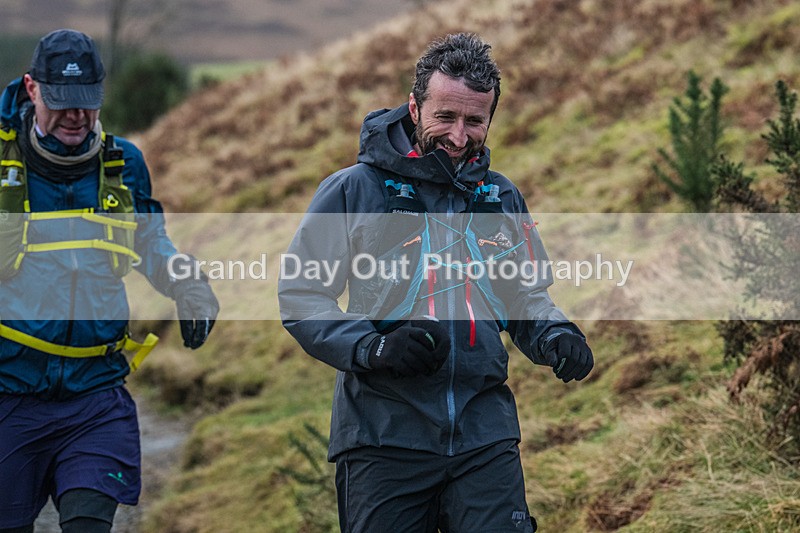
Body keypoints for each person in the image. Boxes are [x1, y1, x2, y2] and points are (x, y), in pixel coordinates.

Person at [279, 32, 593, 532]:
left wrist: (555, 333)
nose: (459, 137)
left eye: (475, 121)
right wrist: (372, 348)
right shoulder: (354, 190)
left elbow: (525, 295)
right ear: (414, 107)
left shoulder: (501, 197)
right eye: (445, 117)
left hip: (485, 435)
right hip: (383, 438)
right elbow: (302, 296)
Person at [0, 29, 219, 533]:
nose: (76, 115)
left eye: (87, 100)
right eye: (61, 101)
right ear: (32, 88)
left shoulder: (124, 166)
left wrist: (189, 284)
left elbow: (153, 245)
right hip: (10, 395)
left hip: (95, 397)